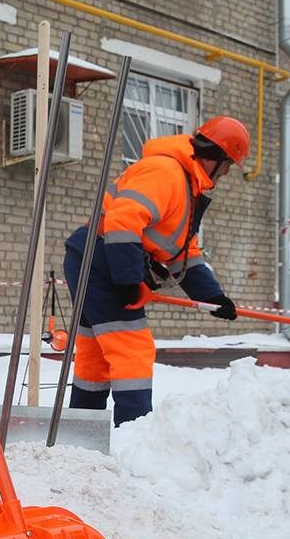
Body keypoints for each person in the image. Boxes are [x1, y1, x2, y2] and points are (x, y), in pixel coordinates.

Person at [62, 116, 249, 426]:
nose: (227, 173)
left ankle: (83, 431)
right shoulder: (165, 173)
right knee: (132, 350)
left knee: (95, 354)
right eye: (228, 164)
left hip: (94, 260)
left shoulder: (187, 187)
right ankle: (134, 435)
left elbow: (182, 253)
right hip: (100, 261)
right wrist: (127, 280)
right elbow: (123, 222)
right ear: (215, 157)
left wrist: (215, 297)